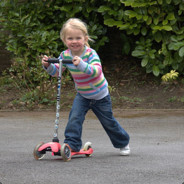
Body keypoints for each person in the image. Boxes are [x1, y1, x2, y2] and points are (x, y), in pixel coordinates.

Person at [41, 18, 130, 156]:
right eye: (70, 38)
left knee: (108, 122)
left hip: (100, 96)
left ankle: (123, 142)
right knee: (74, 118)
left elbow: (96, 71)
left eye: (78, 38)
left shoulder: (90, 54)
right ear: (65, 40)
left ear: (85, 39)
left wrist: (81, 64)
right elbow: (56, 72)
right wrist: (48, 65)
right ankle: (72, 145)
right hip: (83, 95)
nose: (74, 41)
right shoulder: (65, 55)